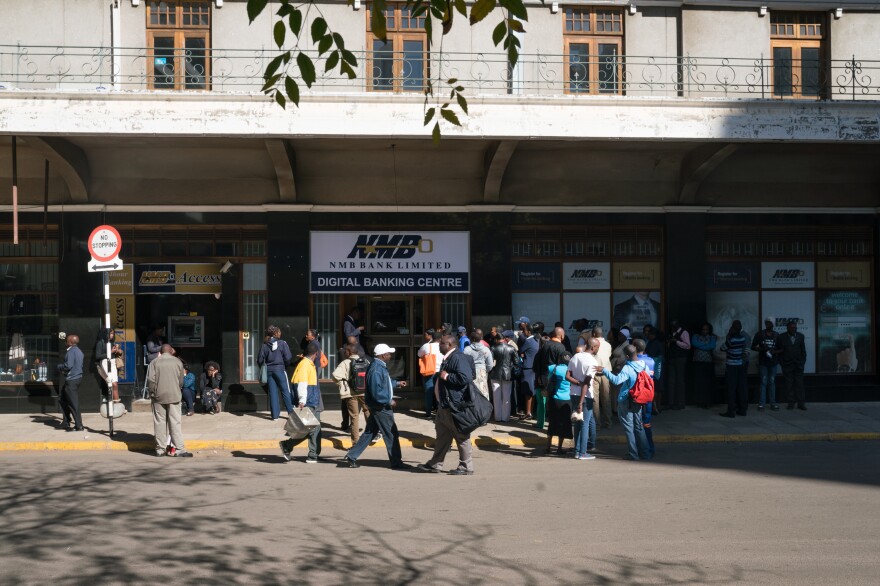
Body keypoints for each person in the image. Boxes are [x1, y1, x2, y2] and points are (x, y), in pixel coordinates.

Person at [343, 343, 409, 469]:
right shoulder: (376, 368)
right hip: (381, 407)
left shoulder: (379, 366)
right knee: (391, 434)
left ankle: (352, 456)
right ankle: (396, 462)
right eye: (389, 354)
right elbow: (376, 391)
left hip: (378, 406)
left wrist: (396, 383)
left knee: (370, 433)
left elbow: (384, 383)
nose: (390, 356)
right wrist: (388, 401)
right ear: (383, 355)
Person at [418, 334, 477, 475]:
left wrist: (446, 376)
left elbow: (467, 377)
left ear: (450, 345)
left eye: (442, 343)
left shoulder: (458, 357)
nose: (439, 345)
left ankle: (466, 467)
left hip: (454, 405)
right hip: (445, 405)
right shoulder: (450, 357)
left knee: (461, 436)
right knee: (443, 436)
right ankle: (435, 464)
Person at [597, 344, 651, 461]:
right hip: (639, 400)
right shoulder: (644, 366)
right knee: (639, 427)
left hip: (626, 400)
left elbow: (616, 381)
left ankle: (633, 454)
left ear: (627, 356)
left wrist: (605, 371)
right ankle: (645, 453)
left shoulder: (627, 368)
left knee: (628, 428)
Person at [280, 342, 324, 463]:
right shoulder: (305, 365)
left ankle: (314, 454)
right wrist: (302, 400)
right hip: (309, 401)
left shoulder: (307, 363)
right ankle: (309, 454)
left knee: (314, 429)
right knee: (312, 429)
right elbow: (302, 384)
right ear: (316, 354)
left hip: (312, 400)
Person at [148, 344, 192, 457]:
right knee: (175, 422)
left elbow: (151, 380)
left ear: (161, 352)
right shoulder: (178, 362)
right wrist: (177, 389)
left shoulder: (154, 362)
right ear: (171, 351)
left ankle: (160, 449)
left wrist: (153, 393)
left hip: (158, 396)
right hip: (174, 396)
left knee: (159, 422)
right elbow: (181, 381)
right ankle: (179, 449)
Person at [567, 337, 600, 460]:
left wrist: (576, 383)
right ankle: (582, 453)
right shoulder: (592, 361)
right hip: (585, 396)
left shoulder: (575, 357)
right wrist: (581, 402)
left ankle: (577, 450)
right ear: (593, 347)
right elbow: (586, 383)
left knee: (577, 424)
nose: (597, 349)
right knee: (585, 424)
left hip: (573, 393)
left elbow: (567, 376)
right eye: (597, 347)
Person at [332, 343, 369, 444]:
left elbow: (335, 375)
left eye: (346, 351)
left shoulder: (345, 363)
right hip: (364, 392)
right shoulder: (365, 361)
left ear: (349, 352)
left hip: (350, 394)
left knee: (354, 417)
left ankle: (355, 443)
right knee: (368, 411)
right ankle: (372, 434)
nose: (344, 352)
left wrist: (342, 383)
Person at [257, 325, 294, 420]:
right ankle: (291, 413)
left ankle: (275, 416)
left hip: (269, 371)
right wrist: (285, 364)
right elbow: (288, 357)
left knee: (273, 393)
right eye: (279, 332)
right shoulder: (282, 343)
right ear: (275, 333)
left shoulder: (264, 345)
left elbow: (260, 360)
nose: (280, 333)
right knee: (285, 391)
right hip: (280, 369)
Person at [545, 352, 573, 455]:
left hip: (554, 399)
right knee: (563, 424)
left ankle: (547, 447)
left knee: (552, 423)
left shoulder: (552, 368)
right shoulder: (570, 370)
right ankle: (559, 448)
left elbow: (548, 380)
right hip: (566, 400)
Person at [719, 320, 749, 418]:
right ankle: (742, 410)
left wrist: (729, 335)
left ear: (732, 328)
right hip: (740, 365)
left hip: (731, 366)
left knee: (731, 389)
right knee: (741, 388)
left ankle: (731, 411)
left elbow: (722, 348)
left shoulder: (731, 339)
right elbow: (744, 351)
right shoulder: (742, 338)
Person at [633, 338, 656, 459]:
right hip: (648, 396)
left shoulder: (634, 361)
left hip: (637, 396)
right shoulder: (651, 361)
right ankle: (650, 448)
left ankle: (640, 449)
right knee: (646, 423)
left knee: (636, 424)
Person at [752, 317, 781, 411]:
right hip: (763, 363)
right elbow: (752, 346)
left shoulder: (777, 335)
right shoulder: (760, 334)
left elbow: (782, 349)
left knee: (772, 382)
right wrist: (761, 349)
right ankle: (762, 404)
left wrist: (774, 352)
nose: (767, 324)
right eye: (766, 323)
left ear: (773, 324)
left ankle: (773, 403)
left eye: (769, 323)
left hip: (773, 363)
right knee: (763, 382)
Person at [778, 320, 807, 411]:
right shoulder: (782, 337)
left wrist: (802, 362)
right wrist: (782, 363)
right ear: (788, 328)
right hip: (787, 365)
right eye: (792, 327)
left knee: (799, 385)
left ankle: (801, 403)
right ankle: (791, 403)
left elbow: (803, 351)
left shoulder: (800, 336)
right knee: (789, 385)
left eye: (795, 327)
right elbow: (779, 351)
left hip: (798, 365)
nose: (794, 329)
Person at [58, 334, 84, 432]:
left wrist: (59, 367)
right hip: (76, 378)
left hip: (72, 379)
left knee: (73, 403)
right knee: (62, 398)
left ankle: (79, 425)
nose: (65, 342)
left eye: (66, 340)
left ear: (70, 342)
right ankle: (66, 421)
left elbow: (68, 366)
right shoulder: (79, 351)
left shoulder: (71, 352)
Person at [490, 330, 517, 422]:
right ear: (504, 339)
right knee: (506, 397)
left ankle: (498, 417)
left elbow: (490, 362)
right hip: (507, 373)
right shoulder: (511, 348)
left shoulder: (493, 348)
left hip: (495, 373)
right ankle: (505, 418)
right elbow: (517, 362)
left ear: (497, 339)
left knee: (496, 396)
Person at [417, 328, 443, 419]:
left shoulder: (426, 346)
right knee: (440, 392)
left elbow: (419, 354)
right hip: (440, 372)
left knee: (428, 392)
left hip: (429, 371)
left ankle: (428, 413)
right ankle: (440, 412)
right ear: (440, 339)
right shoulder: (443, 346)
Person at [691, 322, 718, 409]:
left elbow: (712, 346)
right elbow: (694, 343)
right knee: (699, 383)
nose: (704, 331)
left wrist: (701, 346)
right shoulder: (695, 336)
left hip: (708, 363)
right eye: (703, 329)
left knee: (707, 383)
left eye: (706, 329)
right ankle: (699, 401)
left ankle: (707, 402)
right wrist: (706, 345)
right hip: (698, 362)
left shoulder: (712, 337)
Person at [665, 319, 690, 410]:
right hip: (671, 358)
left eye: (674, 325)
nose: (673, 327)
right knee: (671, 381)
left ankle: (680, 403)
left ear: (678, 325)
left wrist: (676, 341)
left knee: (680, 381)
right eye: (672, 325)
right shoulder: (671, 333)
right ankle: (671, 403)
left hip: (680, 358)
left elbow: (688, 345)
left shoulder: (684, 333)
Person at [591, 326, 613, 429]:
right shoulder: (608, 345)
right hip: (606, 373)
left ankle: (597, 424)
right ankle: (608, 422)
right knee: (606, 399)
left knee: (595, 400)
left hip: (595, 374)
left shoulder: (592, 344)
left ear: (594, 334)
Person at [95, 328, 123, 403]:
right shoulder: (100, 343)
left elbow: (115, 354)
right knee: (112, 383)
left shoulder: (112, 342)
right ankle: (113, 403)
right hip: (104, 364)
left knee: (115, 384)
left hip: (113, 363)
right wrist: (110, 352)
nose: (112, 335)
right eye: (110, 333)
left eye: (113, 333)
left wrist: (118, 351)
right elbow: (97, 356)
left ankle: (117, 403)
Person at [464, 330, 493, 400]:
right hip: (482, 372)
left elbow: (464, 363)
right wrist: (485, 370)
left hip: (470, 373)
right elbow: (490, 364)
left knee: (472, 393)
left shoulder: (467, 349)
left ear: (472, 339)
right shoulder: (486, 349)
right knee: (483, 393)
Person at [518, 324, 539, 420]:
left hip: (527, 368)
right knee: (532, 391)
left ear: (529, 332)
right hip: (534, 367)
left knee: (528, 391)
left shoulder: (528, 341)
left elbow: (520, 350)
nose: (523, 332)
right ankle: (531, 411)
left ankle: (528, 412)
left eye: (524, 331)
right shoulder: (536, 340)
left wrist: (522, 354)